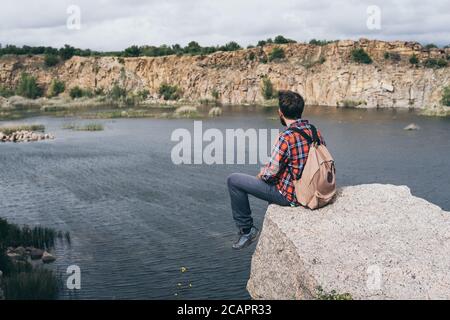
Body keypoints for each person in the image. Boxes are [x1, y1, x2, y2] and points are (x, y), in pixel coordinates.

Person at [227, 90, 326, 250]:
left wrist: (261, 174)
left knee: (233, 180)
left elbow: (270, 172)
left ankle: (247, 230)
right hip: (315, 188)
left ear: (280, 112)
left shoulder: (286, 137)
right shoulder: (314, 131)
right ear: (300, 110)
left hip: (292, 197)